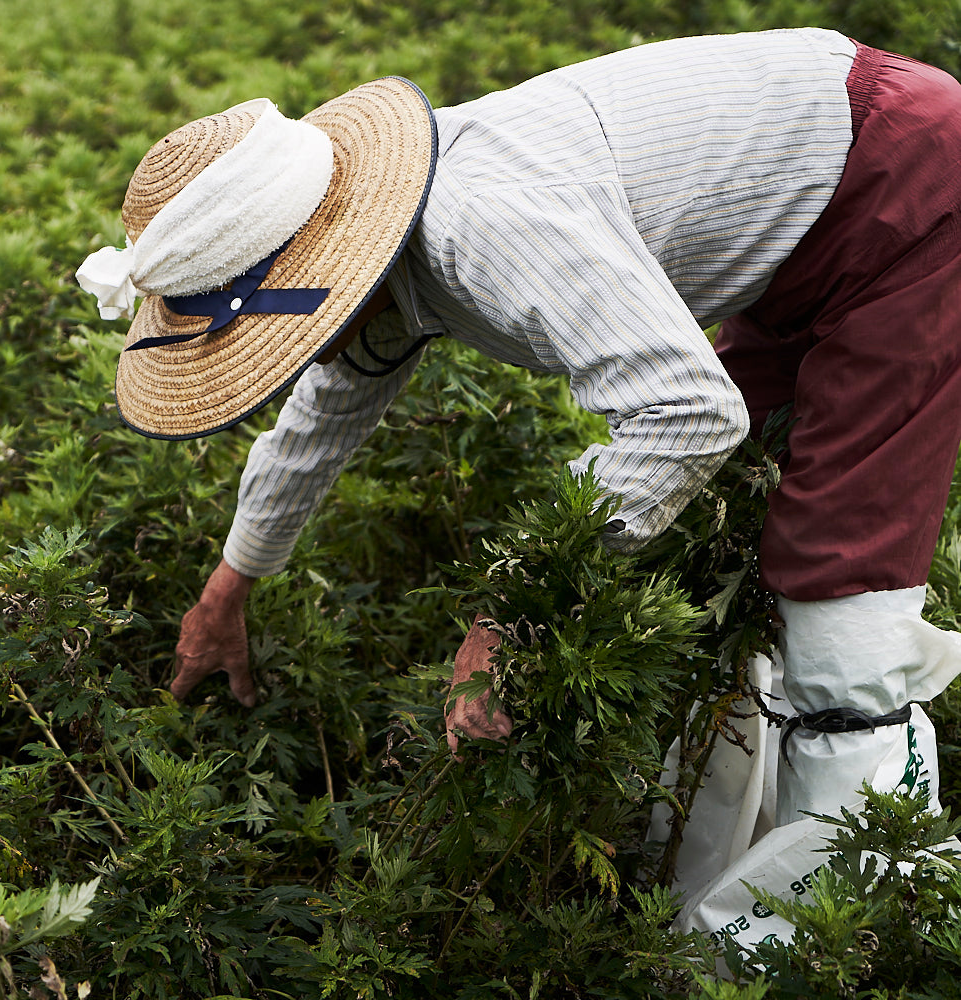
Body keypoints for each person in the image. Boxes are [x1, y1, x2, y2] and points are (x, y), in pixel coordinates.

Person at [76, 28, 961, 941]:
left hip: (902, 185)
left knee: (835, 586)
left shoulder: (480, 222)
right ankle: (724, 881)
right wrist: (231, 587)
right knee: (727, 545)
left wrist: (509, 615)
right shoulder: (372, 253)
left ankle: (857, 924)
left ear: (311, 272)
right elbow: (322, 418)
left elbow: (686, 413)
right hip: (794, 242)